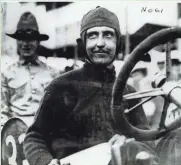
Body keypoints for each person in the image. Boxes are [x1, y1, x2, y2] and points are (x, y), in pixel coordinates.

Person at [23, 7, 158, 165]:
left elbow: (148, 143)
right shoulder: (61, 86)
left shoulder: (130, 92)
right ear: (83, 43)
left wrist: (130, 145)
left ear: (118, 43)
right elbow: (34, 137)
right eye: (93, 35)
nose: (100, 43)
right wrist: (45, 162)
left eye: (108, 35)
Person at [1, 12, 59, 127]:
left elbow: (58, 109)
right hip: (16, 133)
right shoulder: (7, 74)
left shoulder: (53, 74)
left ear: (38, 42)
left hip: (45, 131)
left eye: (31, 39)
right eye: (22, 39)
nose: (26, 44)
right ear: (17, 42)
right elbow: (2, 112)